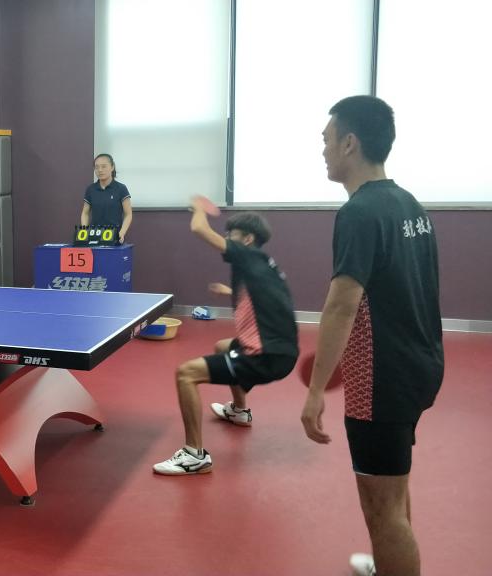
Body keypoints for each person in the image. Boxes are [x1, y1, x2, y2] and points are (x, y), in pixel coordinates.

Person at [301, 96, 442, 576]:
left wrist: (315, 391)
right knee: (393, 491)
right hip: (418, 368)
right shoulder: (409, 204)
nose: (322, 150)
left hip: (380, 382)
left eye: (326, 140)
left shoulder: (359, 213)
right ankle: (390, 564)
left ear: (350, 143)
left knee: (382, 511)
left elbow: (341, 305)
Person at [153, 208, 298, 476]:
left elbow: (199, 229)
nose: (227, 238)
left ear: (247, 239)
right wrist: (228, 290)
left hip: (264, 356)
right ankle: (240, 411)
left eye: (232, 234)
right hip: (282, 351)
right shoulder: (264, 264)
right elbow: (265, 293)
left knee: (186, 373)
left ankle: (194, 456)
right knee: (223, 346)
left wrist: (199, 207)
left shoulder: (247, 255)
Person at [80, 153, 132, 243]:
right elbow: (85, 213)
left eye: (104, 166)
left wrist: (122, 233)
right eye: (97, 167)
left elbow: (128, 214)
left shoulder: (121, 188)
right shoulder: (90, 189)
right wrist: (84, 231)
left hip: (115, 237)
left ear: (112, 167)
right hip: (94, 236)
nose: (100, 170)